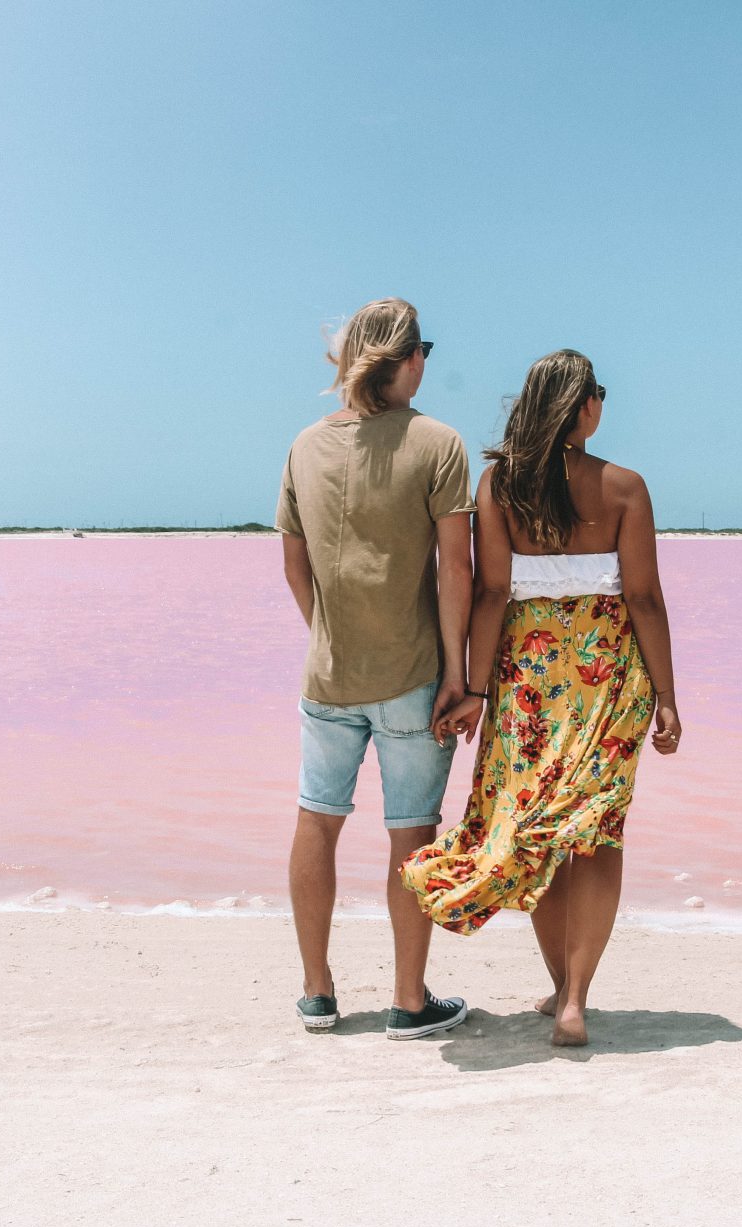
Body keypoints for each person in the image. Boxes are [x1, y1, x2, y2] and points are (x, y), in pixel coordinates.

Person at [401, 348, 681, 1047]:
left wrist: (471, 686)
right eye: (599, 393)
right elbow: (644, 597)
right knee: (595, 835)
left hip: (529, 684)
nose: (602, 405)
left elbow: (492, 593)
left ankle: (562, 987)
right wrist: (668, 699)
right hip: (610, 683)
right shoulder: (626, 487)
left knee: (542, 835)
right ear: (579, 404)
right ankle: (575, 999)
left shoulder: (499, 489)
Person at [275, 297, 475, 1041]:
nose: (428, 361)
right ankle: (407, 999)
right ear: (402, 358)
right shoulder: (439, 443)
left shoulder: (303, 445)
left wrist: (330, 633)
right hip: (414, 672)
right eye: (423, 348)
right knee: (411, 834)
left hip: (328, 674)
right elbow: (458, 568)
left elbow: (293, 564)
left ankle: (318, 993)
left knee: (316, 820)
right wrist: (459, 671)